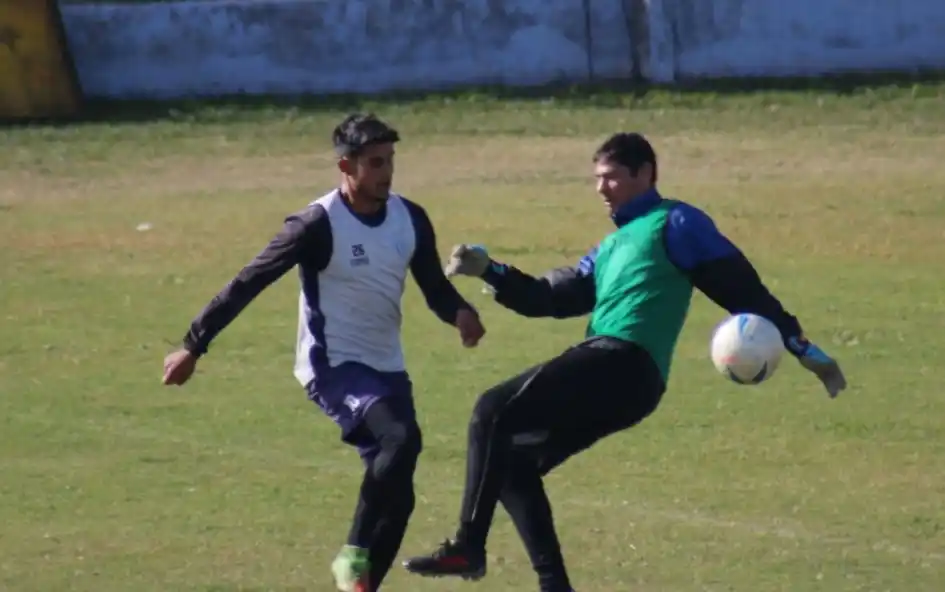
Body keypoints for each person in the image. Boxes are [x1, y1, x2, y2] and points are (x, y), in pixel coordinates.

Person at [401, 132, 847, 592]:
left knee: (491, 411)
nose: (601, 189)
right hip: (628, 384)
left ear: (644, 174)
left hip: (622, 361)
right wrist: (492, 271)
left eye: (611, 177)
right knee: (511, 464)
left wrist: (802, 348)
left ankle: (468, 547)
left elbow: (744, 291)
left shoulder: (676, 222)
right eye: (597, 179)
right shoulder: (609, 248)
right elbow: (549, 297)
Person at [161, 113, 486, 592]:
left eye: (390, 161)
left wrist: (460, 313)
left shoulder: (409, 217)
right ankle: (353, 554)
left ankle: (361, 586)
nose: (386, 172)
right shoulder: (316, 225)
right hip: (332, 365)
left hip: (387, 365)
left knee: (399, 496)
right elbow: (250, 281)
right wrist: (193, 345)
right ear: (345, 166)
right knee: (402, 439)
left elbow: (433, 285)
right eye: (375, 163)